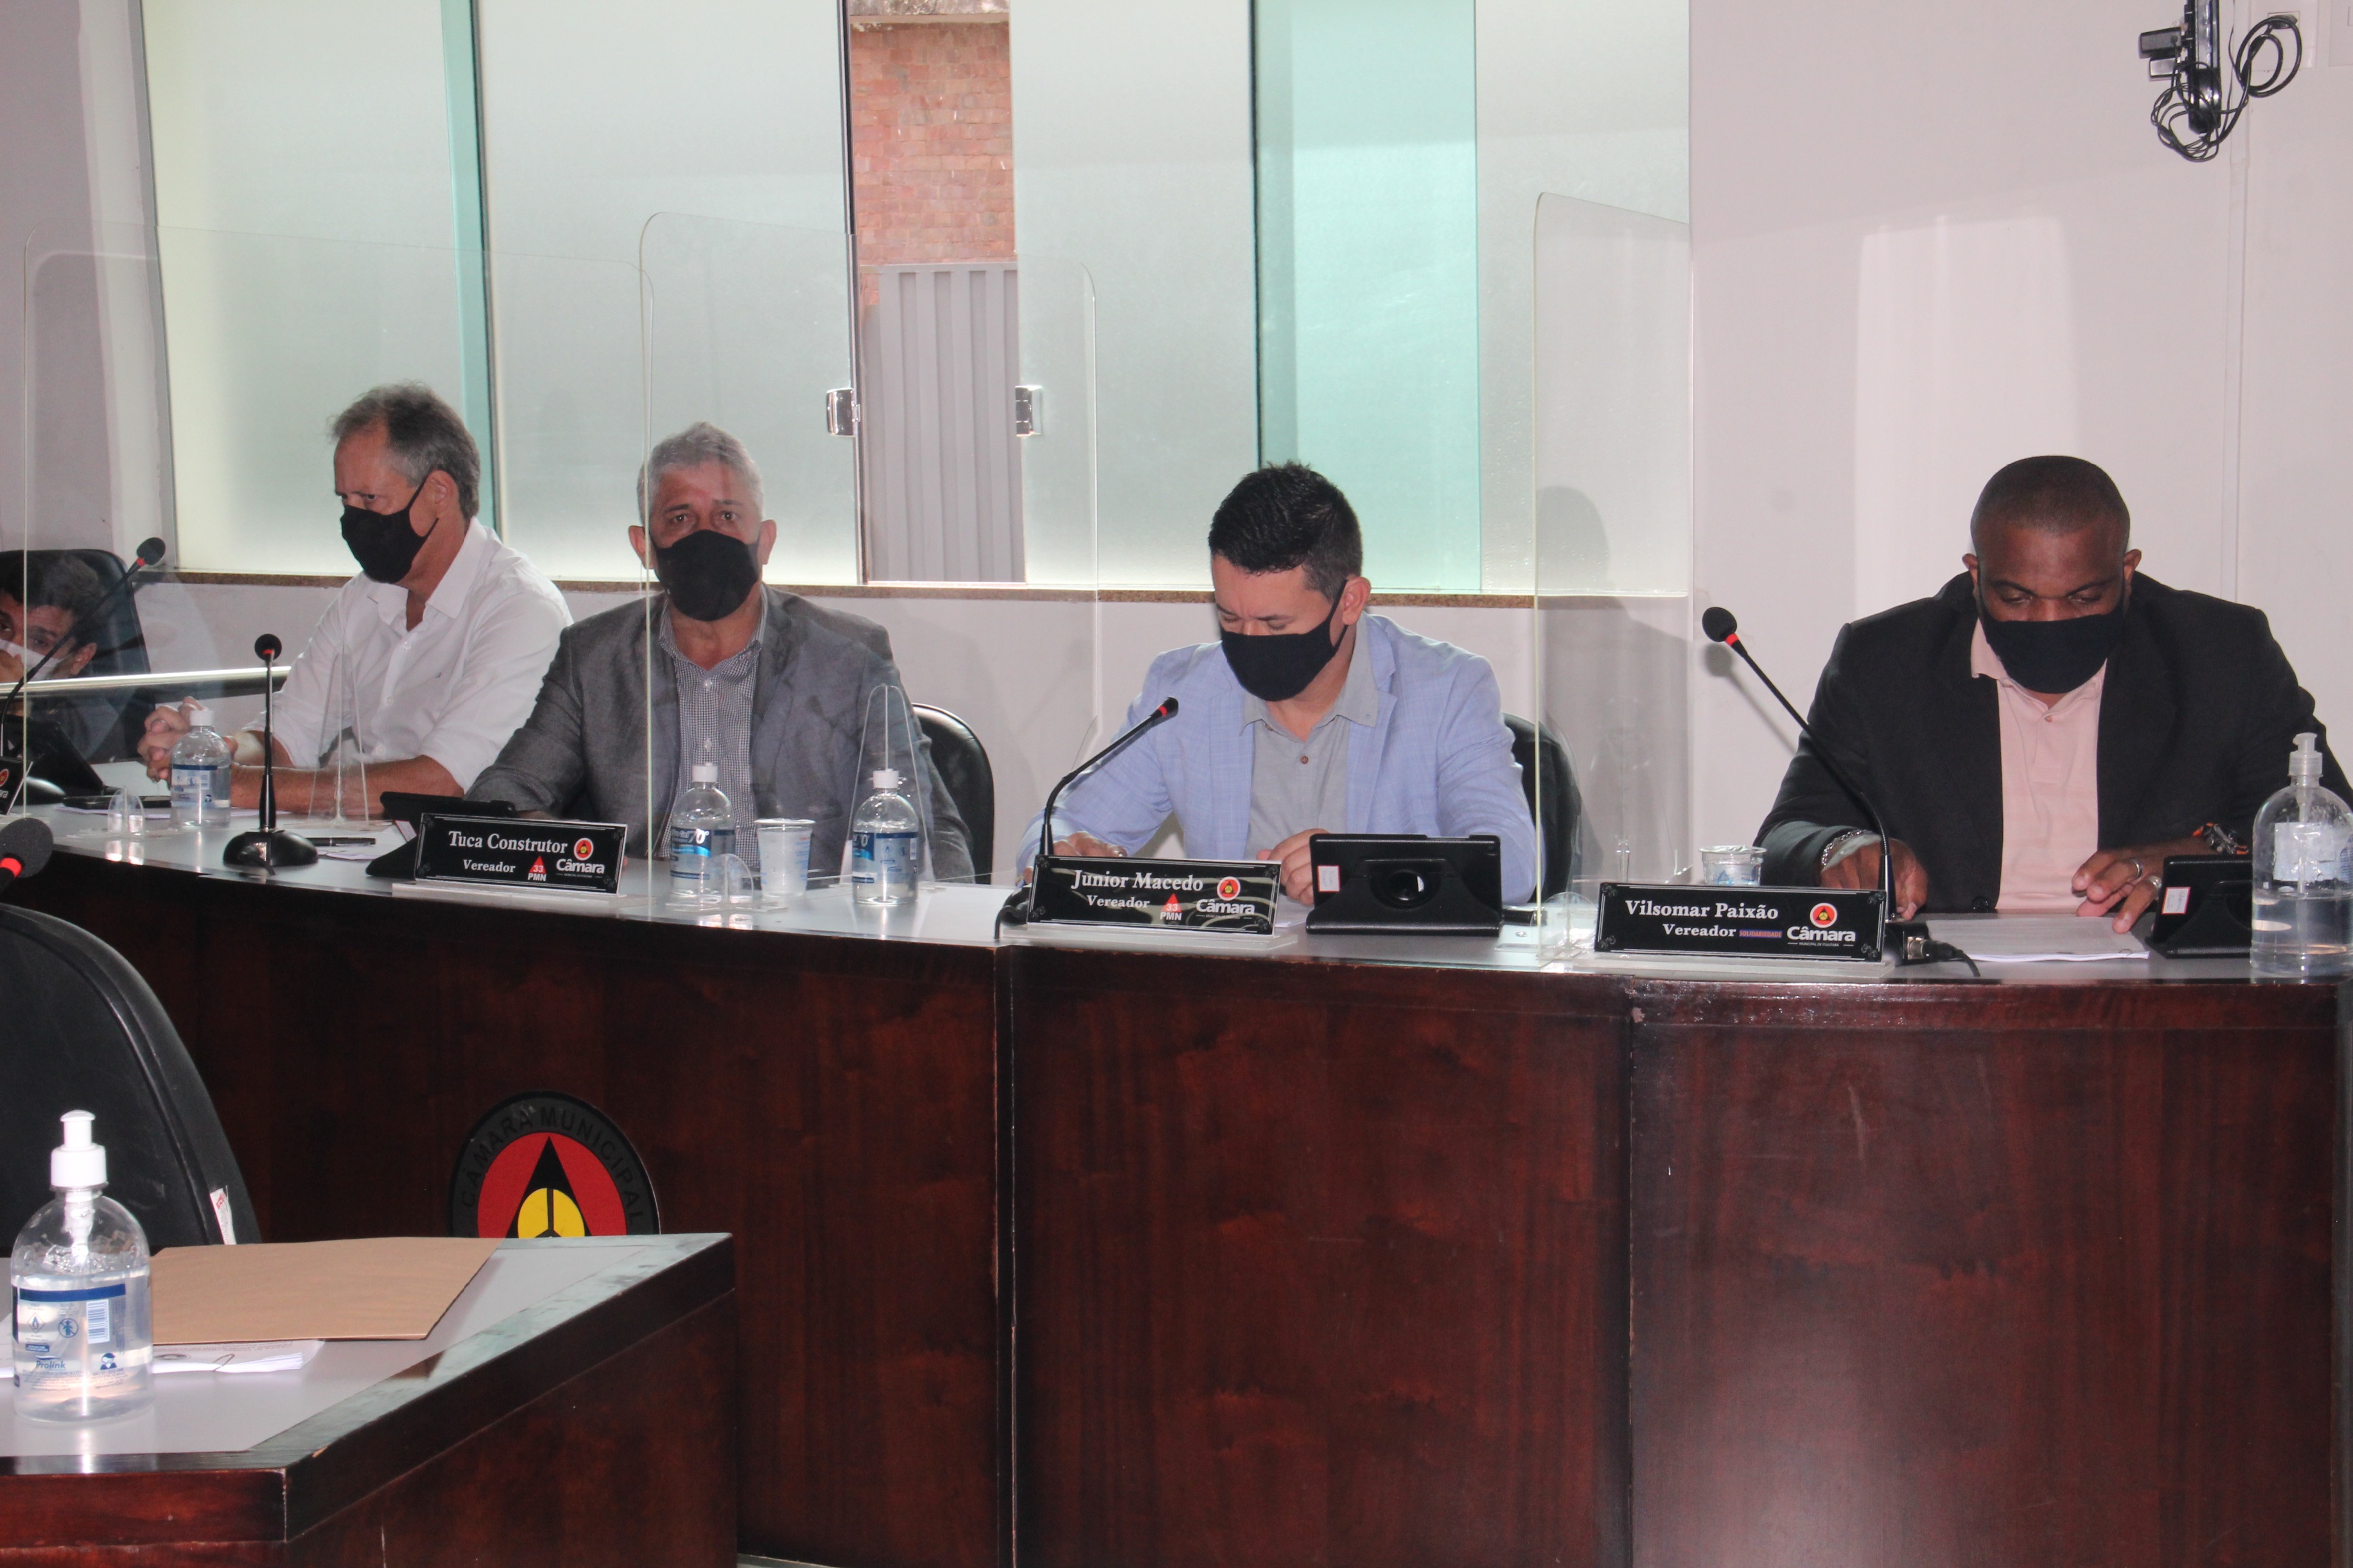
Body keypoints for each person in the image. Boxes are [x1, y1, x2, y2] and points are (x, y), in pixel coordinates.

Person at [1757, 454, 2348, 927]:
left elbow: (2330, 829)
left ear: (2127, 571)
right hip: (1944, 985)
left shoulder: (2220, 652)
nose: (2048, 621)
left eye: (2083, 598)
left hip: (2157, 988)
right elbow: (1788, 835)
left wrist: (2193, 857)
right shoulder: (1885, 660)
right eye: (2015, 598)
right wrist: (1841, 849)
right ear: (1975, 574)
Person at [469, 422, 972, 880]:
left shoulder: (849, 657)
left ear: (765, 540)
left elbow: (932, 829)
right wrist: (582, 855)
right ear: (645, 546)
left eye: (727, 515)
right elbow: (502, 795)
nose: (705, 536)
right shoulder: (594, 657)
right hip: (650, 923)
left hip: (802, 925)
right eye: (681, 518)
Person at [1016, 462, 1537, 904]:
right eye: (1229, 618)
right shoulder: (1183, 695)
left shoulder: (1448, 690)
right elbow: (1059, 824)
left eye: (1274, 625)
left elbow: (1512, 864)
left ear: (1350, 601)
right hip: (1233, 984)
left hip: (1392, 980)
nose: (1249, 641)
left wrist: (1362, 866)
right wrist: (1063, 850)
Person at [137, 383, 570, 812]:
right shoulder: (365, 597)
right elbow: (288, 736)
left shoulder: (520, 611)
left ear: (439, 492)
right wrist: (214, 752)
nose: (354, 519)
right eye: (345, 500)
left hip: (457, 849)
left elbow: (443, 782)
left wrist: (242, 786)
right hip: (357, 842)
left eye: (370, 498)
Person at [0, 550, 125, 759]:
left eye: (40, 642)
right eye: (3, 627)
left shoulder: (92, 721)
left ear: (81, 658)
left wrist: (16, 708)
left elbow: (35, 776)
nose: (10, 651)